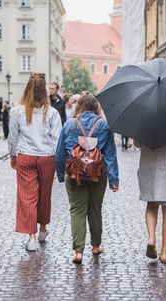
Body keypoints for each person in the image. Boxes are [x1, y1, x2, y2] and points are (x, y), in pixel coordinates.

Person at [56, 93, 119, 264]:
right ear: (96, 108)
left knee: (77, 210)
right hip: (98, 173)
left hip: (75, 173)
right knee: (95, 208)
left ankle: (78, 251)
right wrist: (114, 180)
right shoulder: (104, 125)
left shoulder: (69, 124)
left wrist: (61, 174)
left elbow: (60, 151)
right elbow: (110, 154)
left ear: (80, 106)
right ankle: (96, 245)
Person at [8, 72, 62, 252]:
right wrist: (58, 161)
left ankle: (31, 237)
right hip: (47, 157)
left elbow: (13, 137)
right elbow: (57, 140)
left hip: (25, 156)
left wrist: (13, 155)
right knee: (45, 194)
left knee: (27, 196)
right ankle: (43, 228)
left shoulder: (17, 111)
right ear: (45, 91)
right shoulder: (52, 113)